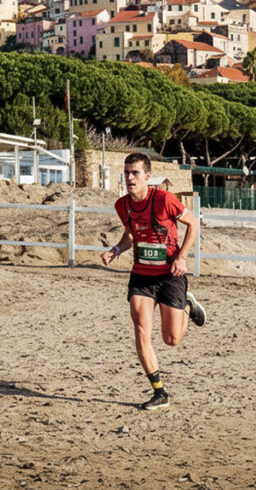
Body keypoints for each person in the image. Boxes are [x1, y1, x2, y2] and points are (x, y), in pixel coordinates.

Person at [101, 152, 206, 410]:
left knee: (171, 339)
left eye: (135, 173)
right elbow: (130, 235)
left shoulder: (164, 200)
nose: (129, 178)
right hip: (142, 277)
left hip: (170, 275)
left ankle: (187, 306)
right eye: (126, 173)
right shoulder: (122, 205)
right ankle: (159, 392)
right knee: (141, 332)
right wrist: (116, 250)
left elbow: (193, 223)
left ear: (147, 176)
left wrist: (181, 258)